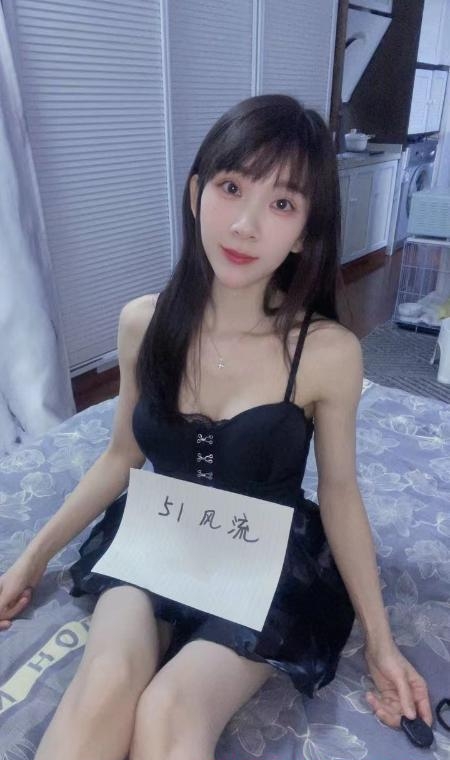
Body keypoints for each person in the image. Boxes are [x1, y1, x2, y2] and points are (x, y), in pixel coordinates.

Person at [0, 94, 432, 759]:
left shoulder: (326, 352)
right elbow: (121, 457)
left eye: (282, 204)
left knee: (170, 710)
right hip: (156, 535)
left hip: (263, 558)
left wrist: (381, 642)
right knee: (106, 679)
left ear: (305, 232)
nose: (246, 226)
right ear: (196, 192)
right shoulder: (142, 324)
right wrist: (29, 561)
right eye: (231, 188)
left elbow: (341, 491)